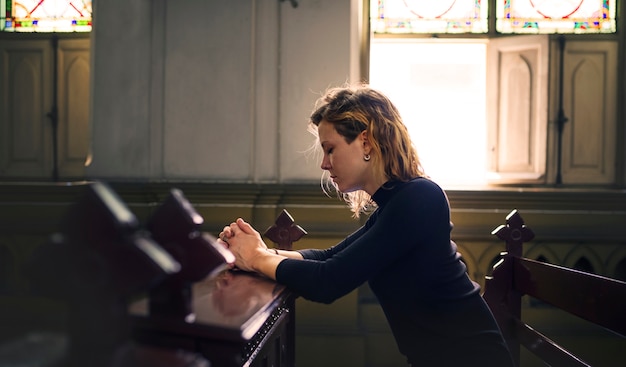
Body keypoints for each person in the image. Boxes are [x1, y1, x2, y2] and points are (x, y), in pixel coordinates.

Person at [217, 84, 514, 366]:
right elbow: (327, 257)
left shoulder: (420, 197)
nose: (324, 163)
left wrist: (256, 258)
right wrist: (253, 251)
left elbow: (328, 280)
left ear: (366, 141)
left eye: (330, 149)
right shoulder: (396, 202)